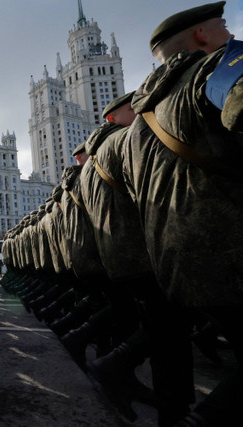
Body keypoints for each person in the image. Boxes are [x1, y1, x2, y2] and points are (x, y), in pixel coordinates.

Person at [123, 2, 243, 424]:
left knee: (169, 351)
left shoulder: (137, 126)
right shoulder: (214, 68)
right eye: (224, 27)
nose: (230, 35)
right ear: (201, 37)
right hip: (229, 252)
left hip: (169, 260)